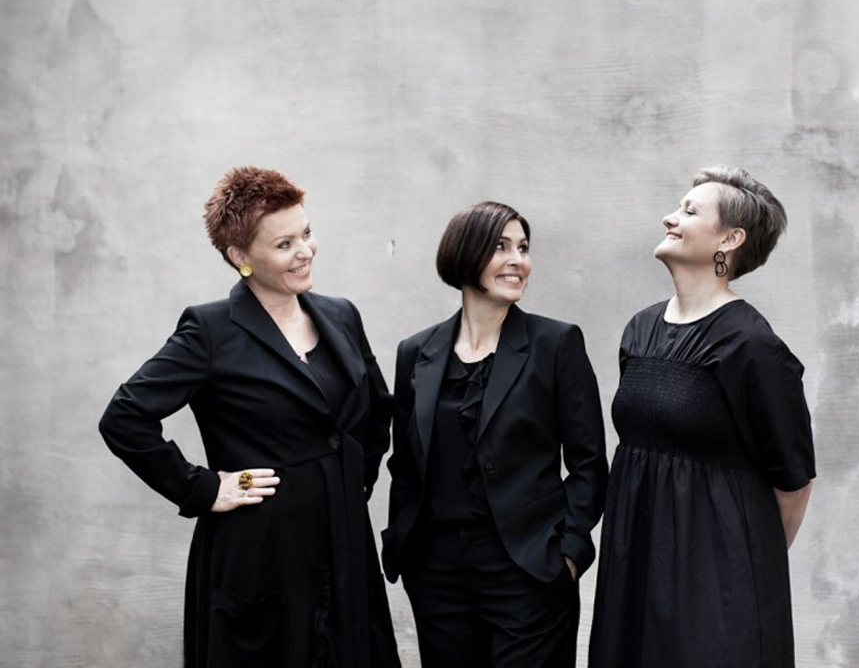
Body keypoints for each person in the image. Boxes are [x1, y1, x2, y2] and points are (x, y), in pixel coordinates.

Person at [99, 167, 400, 668]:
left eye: (306, 233)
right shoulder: (209, 330)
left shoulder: (341, 314)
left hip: (344, 542)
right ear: (240, 257)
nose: (305, 251)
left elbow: (376, 408)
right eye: (284, 244)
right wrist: (203, 488)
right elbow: (124, 417)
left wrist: (351, 479)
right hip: (261, 557)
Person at [589, 166, 816, 668]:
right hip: (635, 570)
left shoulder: (752, 346)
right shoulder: (640, 330)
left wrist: (740, 569)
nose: (670, 218)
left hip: (715, 591)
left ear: (730, 240)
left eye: (690, 211)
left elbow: (794, 483)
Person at [381, 201, 608, 668]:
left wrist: (567, 552)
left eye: (523, 248)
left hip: (529, 568)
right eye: (501, 247)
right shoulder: (416, 353)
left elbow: (589, 463)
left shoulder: (556, 344)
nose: (517, 260)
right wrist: (405, 546)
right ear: (465, 254)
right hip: (437, 573)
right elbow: (405, 462)